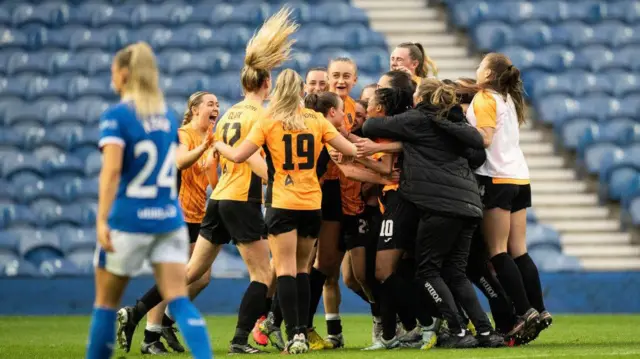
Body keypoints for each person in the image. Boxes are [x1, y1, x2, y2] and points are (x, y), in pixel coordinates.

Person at [213, 68, 358, 354]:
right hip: (311, 203)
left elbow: (241, 155)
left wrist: (218, 145)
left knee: (286, 271)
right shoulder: (316, 119)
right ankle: (301, 331)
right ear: (303, 90)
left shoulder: (269, 119)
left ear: (278, 90)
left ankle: (294, 336)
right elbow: (349, 151)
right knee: (304, 269)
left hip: (281, 202)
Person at [87, 42, 212, 359]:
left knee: (105, 306)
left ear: (124, 74)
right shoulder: (167, 118)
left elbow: (112, 171)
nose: (112, 78)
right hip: (168, 219)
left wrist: (102, 220)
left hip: (128, 219)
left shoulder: (116, 117)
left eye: (114, 72)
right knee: (179, 300)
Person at [362, 78, 502, 349]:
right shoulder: (456, 124)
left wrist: (404, 134)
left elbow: (371, 126)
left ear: (420, 99)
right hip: (470, 205)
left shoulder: (416, 119)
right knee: (456, 273)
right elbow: (476, 157)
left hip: (440, 205)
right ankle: (485, 331)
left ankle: (458, 330)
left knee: (427, 270)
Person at [117, 91, 219, 355]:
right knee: (176, 275)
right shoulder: (184, 133)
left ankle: (162, 323)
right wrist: (205, 148)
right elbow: (180, 160)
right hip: (178, 214)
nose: (216, 107)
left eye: (217, 104)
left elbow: (209, 179)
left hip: (198, 214)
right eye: (210, 103)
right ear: (195, 109)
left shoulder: (210, 138)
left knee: (200, 276)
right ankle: (150, 335)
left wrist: (214, 162)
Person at [468, 53, 551, 343]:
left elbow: (485, 138)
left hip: (496, 178)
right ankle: (540, 309)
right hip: (520, 178)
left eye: (481, 65)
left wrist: (457, 132)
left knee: (498, 251)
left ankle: (525, 312)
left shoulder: (484, 99)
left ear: (489, 74)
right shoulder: (508, 98)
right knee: (520, 249)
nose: (477, 69)